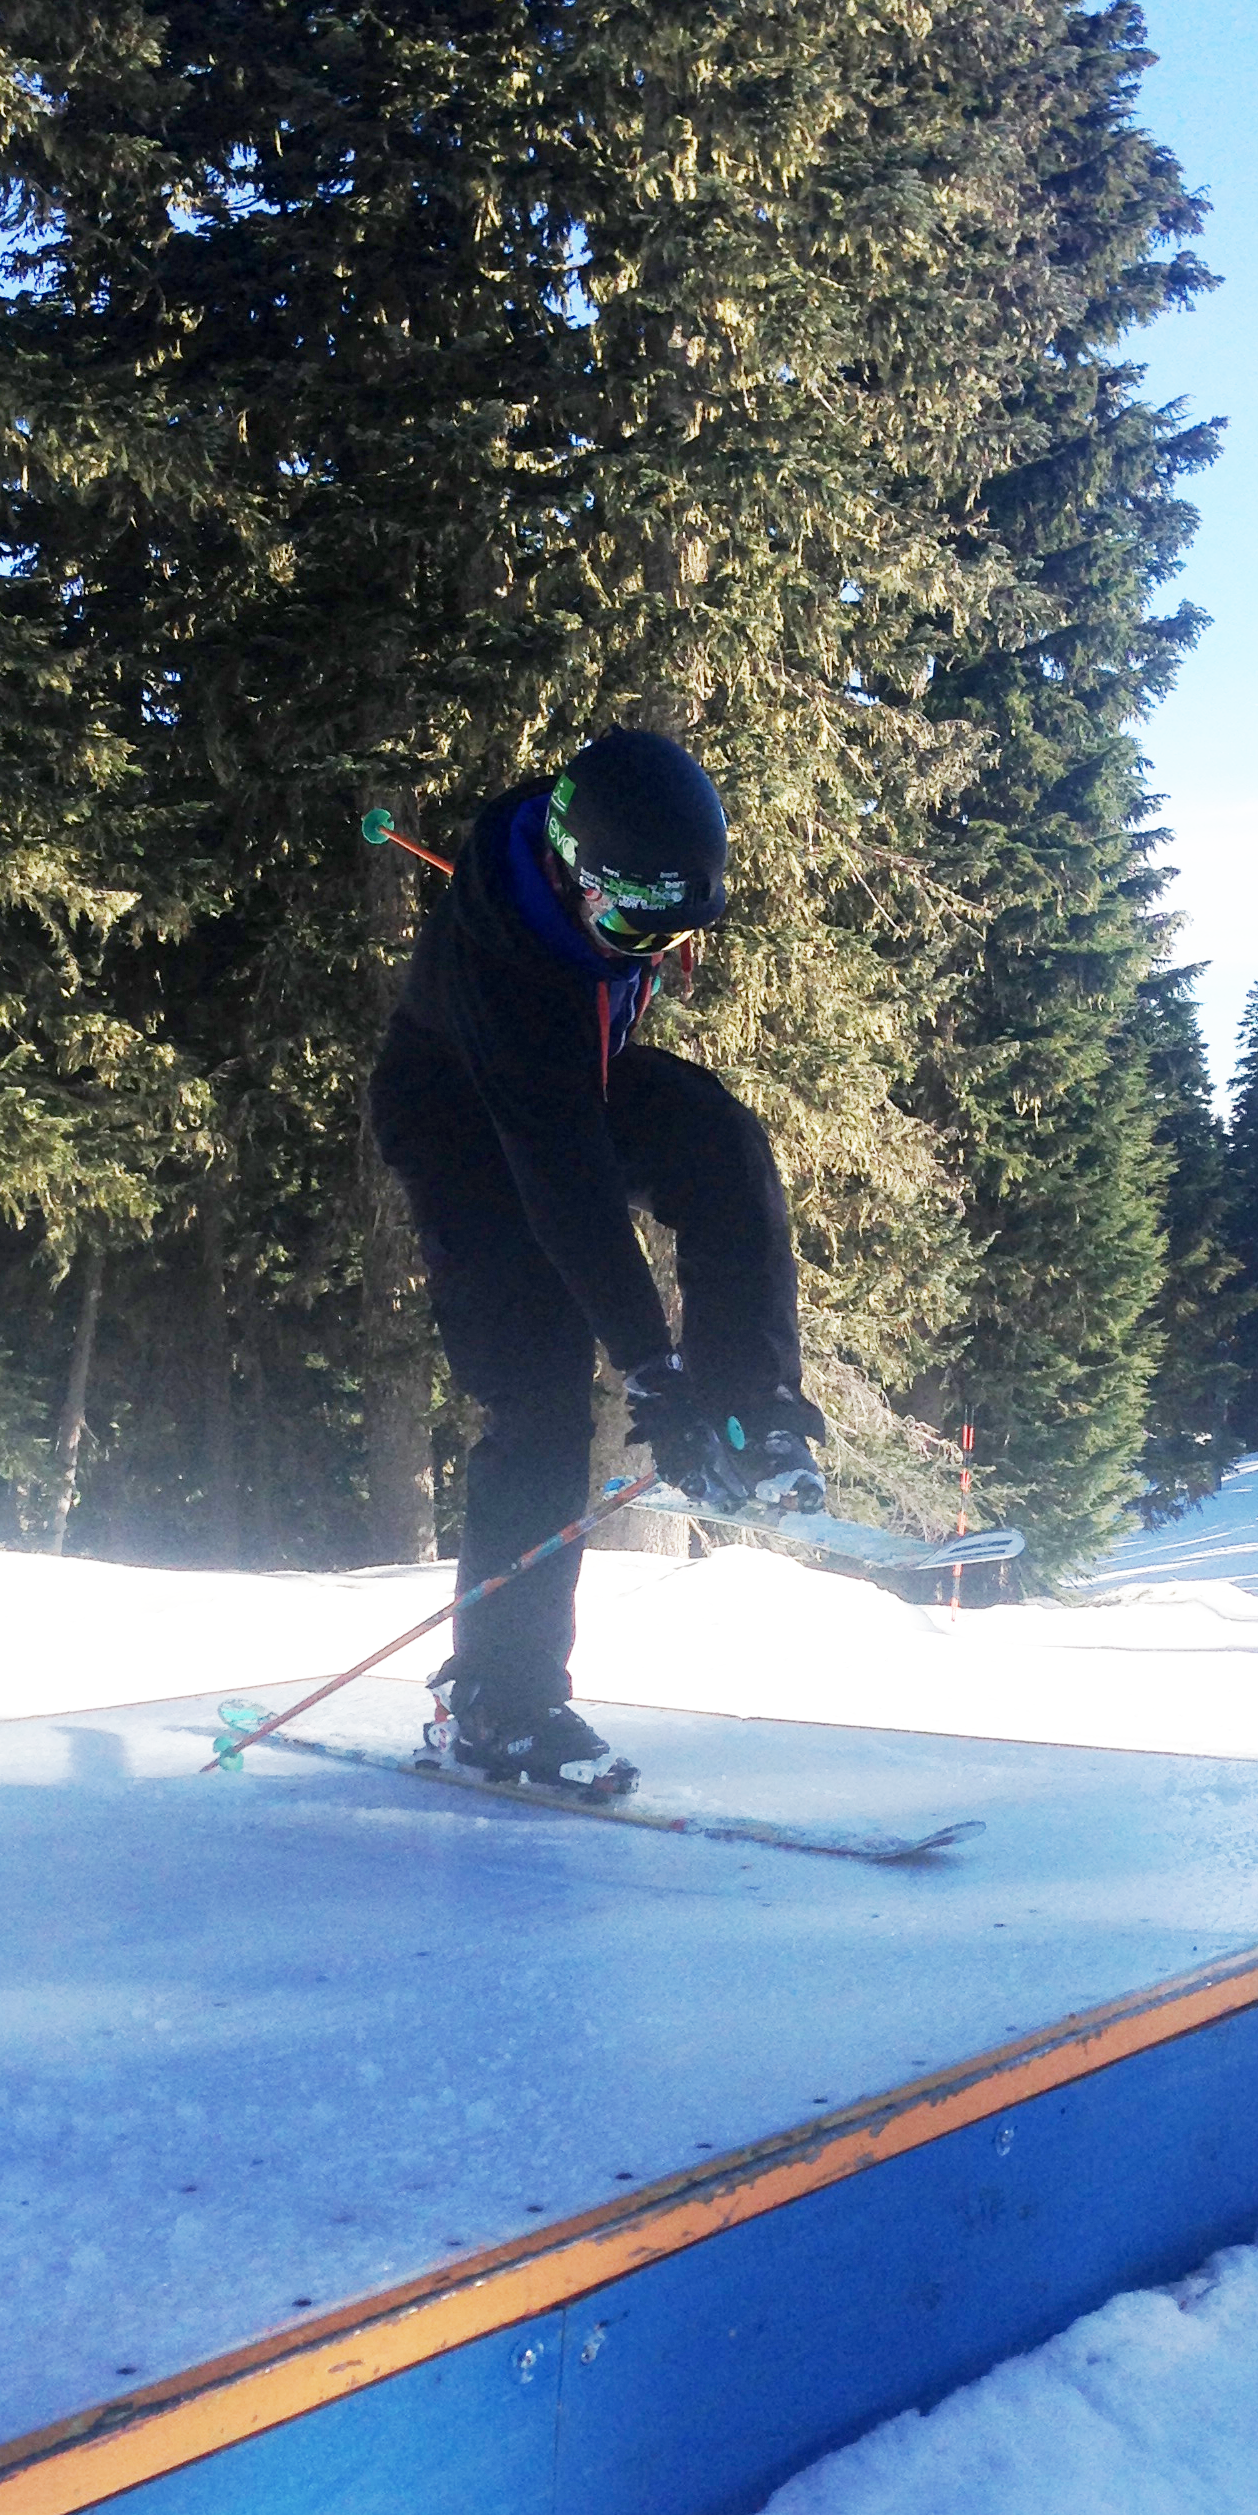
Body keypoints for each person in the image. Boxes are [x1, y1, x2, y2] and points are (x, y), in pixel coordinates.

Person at [369, 728, 827, 1797]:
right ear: (575, 877)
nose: (648, 947)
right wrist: (648, 1368)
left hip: (580, 1082)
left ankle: (751, 1405)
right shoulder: (514, 974)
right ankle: (499, 1701)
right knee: (536, 1394)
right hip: (467, 1130)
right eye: (630, 922)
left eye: (673, 928)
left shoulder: (594, 856)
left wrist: (699, 1384)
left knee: (720, 1142)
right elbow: (563, 1185)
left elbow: (634, 935)